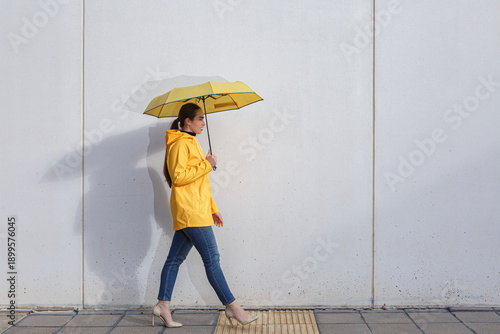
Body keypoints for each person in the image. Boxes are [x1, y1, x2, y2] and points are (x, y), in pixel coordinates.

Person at [152, 102, 258, 328]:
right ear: (187, 121)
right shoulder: (180, 144)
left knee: (174, 260)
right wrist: (207, 164)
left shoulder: (192, 142)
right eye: (199, 118)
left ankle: (163, 304)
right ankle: (233, 307)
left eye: (203, 119)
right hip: (190, 211)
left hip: (196, 209)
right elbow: (179, 178)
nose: (203, 122)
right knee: (212, 260)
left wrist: (213, 208)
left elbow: (199, 184)